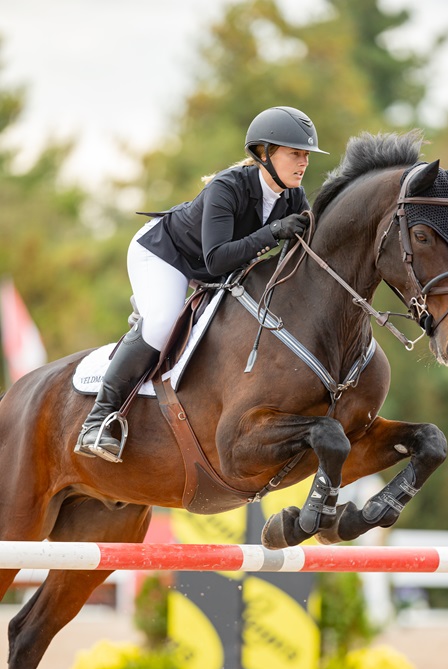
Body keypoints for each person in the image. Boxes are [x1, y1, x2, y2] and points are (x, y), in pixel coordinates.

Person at [74, 106, 328, 463]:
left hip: (215, 272)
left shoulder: (293, 199)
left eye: (305, 155)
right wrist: (271, 233)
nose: (303, 163)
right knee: (161, 323)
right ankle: (99, 419)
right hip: (165, 255)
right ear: (264, 154)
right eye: (294, 154)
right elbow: (217, 259)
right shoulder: (228, 187)